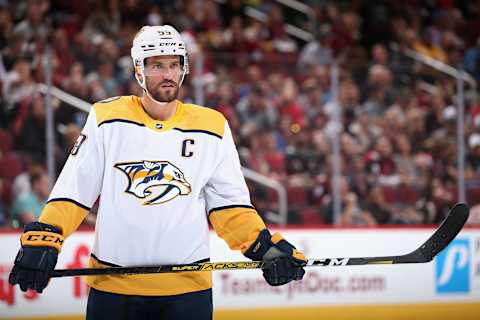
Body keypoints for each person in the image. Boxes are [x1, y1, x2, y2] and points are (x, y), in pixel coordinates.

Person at [8, 25, 306, 320]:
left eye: (175, 65)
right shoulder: (108, 118)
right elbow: (75, 190)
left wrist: (263, 246)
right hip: (114, 288)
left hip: (188, 291)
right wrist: (47, 237)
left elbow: (229, 207)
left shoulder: (212, 127)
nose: (168, 74)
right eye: (158, 66)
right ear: (139, 70)